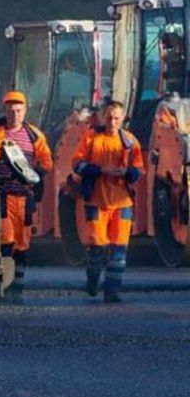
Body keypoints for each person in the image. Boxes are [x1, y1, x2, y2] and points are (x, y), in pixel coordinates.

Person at [0, 90, 54, 303]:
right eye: (10, 111)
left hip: (24, 196)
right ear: (4, 111)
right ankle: (3, 286)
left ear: (25, 111)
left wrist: (35, 176)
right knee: (5, 241)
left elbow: (47, 162)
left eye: (18, 111)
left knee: (22, 243)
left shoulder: (35, 136)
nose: (15, 114)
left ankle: (17, 289)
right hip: (2, 196)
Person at [71, 100, 144, 303]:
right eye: (109, 117)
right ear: (104, 116)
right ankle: (93, 280)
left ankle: (112, 290)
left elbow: (139, 170)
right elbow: (76, 164)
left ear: (122, 119)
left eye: (117, 118)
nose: (112, 122)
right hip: (96, 201)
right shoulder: (92, 137)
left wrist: (127, 172)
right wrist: (100, 170)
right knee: (97, 247)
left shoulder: (130, 142)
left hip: (122, 203)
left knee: (119, 250)